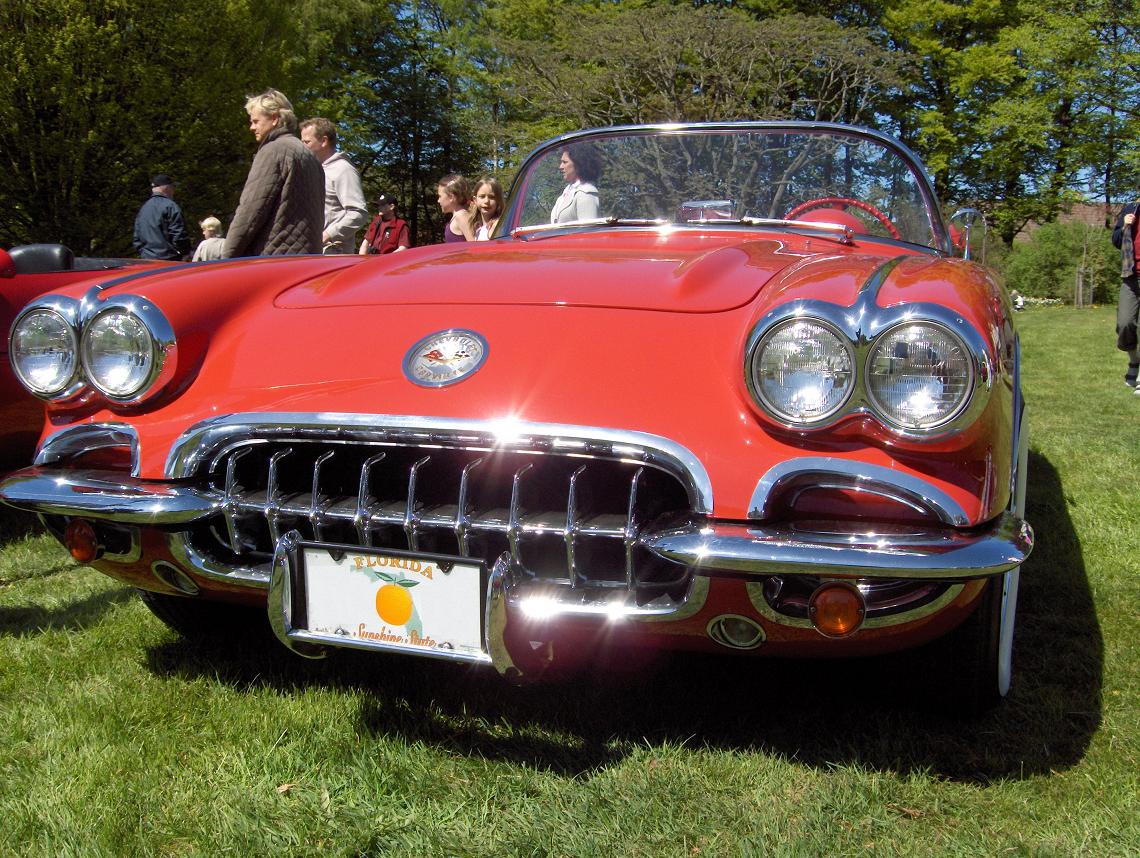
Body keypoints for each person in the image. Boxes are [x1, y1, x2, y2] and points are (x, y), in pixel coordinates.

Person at [223, 89, 324, 258]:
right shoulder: (309, 156)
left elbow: (251, 212)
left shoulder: (273, 151)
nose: (252, 127)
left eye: (256, 121)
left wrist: (226, 256)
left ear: (275, 119)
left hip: (273, 259)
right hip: (308, 260)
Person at [300, 117, 369, 254]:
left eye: (306, 142)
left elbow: (359, 213)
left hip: (333, 256)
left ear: (324, 141)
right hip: (311, 253)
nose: (302, 147)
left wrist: (327, 235)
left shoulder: (343, 170)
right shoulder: (315, 170)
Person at [1111, 201, 1140, 392]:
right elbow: (1115, 240)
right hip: (1131, 276)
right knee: (1124, 324)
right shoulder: (1131, 208)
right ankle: (1133, 360)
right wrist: (1124, 226)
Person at [132, 174, 191, 260]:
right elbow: (178, 234)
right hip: (169, 260)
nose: (174, 190)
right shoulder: (170, 206)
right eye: (173, 187)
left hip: (147, 260)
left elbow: (137, 238)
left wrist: (145, 253)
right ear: (166, 187)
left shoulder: (143, 209)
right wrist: (184, 252)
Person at [550, 143, 601, 224]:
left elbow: (587, 232)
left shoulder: (586, 193)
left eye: (565, 162)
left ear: (578, 164)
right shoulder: (566, 193)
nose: (560, 166)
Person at [437, 174, 476, 242]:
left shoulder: (461, 216)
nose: (438, 200)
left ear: (451, 197)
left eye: (440, 196)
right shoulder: (457, 216)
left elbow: (474, 245)